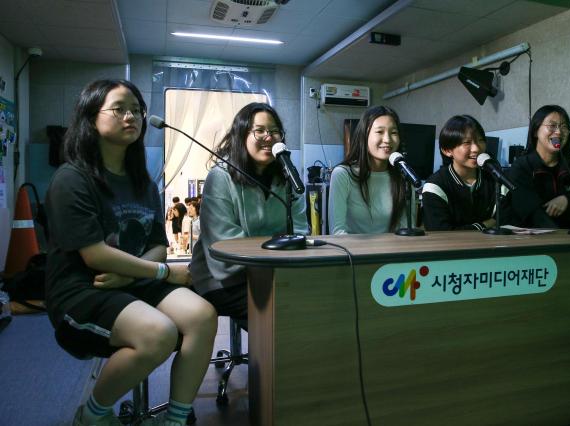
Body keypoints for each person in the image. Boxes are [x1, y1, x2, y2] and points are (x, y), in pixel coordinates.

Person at [45, 79, 217, 426]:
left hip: (130, 282)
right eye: (119, 109)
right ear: (91, 117)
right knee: (159, 332)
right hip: (85, 288)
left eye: (137, 110)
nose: (131, 117)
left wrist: (137, 272)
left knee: (202, 315)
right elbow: (95, 256)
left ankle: (175, 418)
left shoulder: (144, 183)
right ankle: (92, 415)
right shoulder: (72, 179)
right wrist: (159, 273)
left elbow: (157, 245)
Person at [190, 102, 307, 330]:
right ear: (241, 134)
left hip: (273, 273)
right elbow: (225, 245)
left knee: (318, 300)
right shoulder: (220, 177)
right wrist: (278, 246)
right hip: (222, 279)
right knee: (285, 313)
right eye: (259, 130)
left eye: (274, 131)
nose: (268, 137)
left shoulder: (287, 177)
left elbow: (300, 231)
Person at [328, 105, 414, 234]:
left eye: (394, 133)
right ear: (364, 135)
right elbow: (338, 231)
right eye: (380, 132)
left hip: (393, 251)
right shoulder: (343, 174)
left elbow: (406, 229)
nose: (387, 140)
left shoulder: (404, 176)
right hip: (354, 252)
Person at [509, 105, 570, 228]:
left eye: (564, 126)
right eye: (552, 126)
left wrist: (567, 200)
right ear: (535, 131)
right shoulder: (522, 167)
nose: (559, 132)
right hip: (533, 239)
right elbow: (528, 211)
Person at [422, 115, 502, 231]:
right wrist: (487, 224)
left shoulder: (494, 177)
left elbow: (506, 218)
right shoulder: (435, 185)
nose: (476, 149)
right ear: (447, 150)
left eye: (480, 140)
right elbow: (441, 232)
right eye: (467, 142)